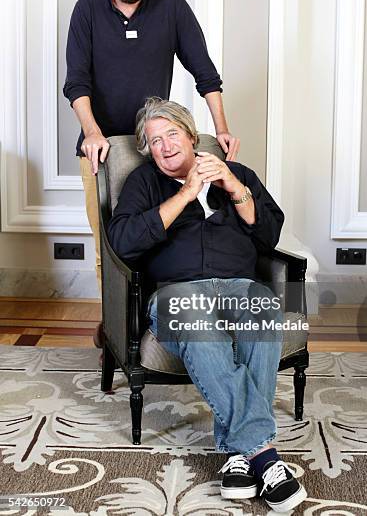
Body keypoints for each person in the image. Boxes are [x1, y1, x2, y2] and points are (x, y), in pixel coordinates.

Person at [107, 98, 307, 512]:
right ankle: (264, 456)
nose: (164, 146)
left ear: (191, 135)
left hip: (241, 283)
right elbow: (123, 242)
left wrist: (235, 187)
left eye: (172, 134)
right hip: (177, 290)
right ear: (147, 149)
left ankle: (238, 456)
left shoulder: (235, 173)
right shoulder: (143, 183)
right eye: (153, 140)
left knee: (267, 311)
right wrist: (186, 194)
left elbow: (269, 233)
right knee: (199, 325)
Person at [63, 0, 239, 291]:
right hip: (101, 147)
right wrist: (93, 132)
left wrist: (221, 126)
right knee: (109, 247)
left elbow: (205, 73)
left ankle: (156, 319)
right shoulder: (88, 9)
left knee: (158, 233)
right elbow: (76, 82)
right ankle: (113, 327)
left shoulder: (171, 6)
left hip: (152, 146)